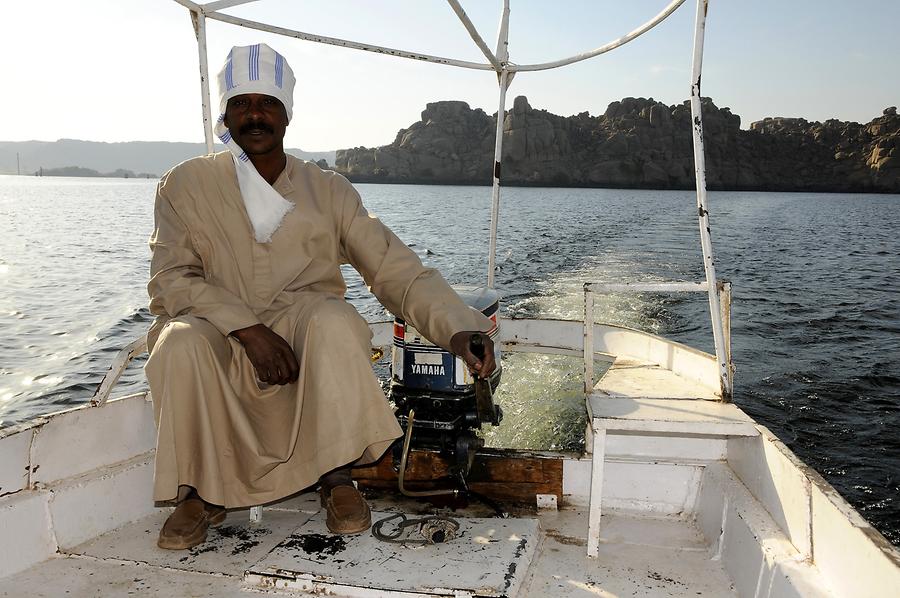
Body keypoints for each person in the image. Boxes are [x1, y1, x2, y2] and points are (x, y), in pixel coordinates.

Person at [145, 43, 496, 550]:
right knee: (179, 340)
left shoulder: (327, 190)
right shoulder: (185, 184)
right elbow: (170, 280)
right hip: (220, 332)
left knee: (333, 319)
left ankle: (336, 478)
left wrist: (457, 326)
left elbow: (391, 266)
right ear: (226, 114)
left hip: (302, 332)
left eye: (267, 103)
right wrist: (246, 328)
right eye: (242, 104)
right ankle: (198, 494)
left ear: (287, 114)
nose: (255, 115)